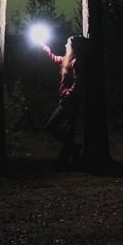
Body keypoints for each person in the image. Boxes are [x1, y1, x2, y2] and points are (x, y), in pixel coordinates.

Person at [41, 34, 84, 167]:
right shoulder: (67, 59)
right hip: (67, 100)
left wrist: (67, 94)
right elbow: (55, 58)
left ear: (72, 47)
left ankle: (73, 149)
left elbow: (79, 83)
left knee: (51, 125)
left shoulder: (75, 62)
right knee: (69, 131)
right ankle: (68, 160)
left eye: (67, 43)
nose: (65, 45)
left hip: (70, 101)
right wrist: (44, 48)